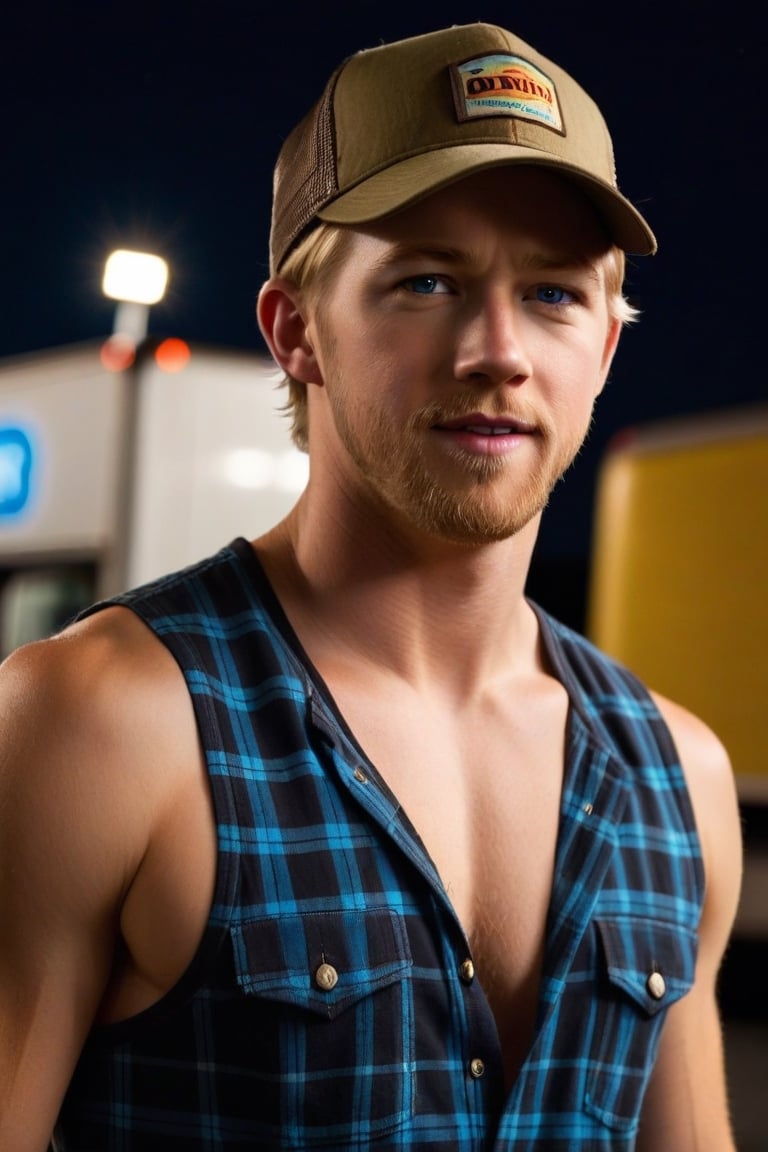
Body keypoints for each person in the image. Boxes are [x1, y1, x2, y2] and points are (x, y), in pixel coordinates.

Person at [0, 22, 742, 1152]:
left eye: (552, 294)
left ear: (601, 352)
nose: (497, 348)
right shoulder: (99, 726)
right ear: (297, 332)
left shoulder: (676, 778)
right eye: (427, 280)